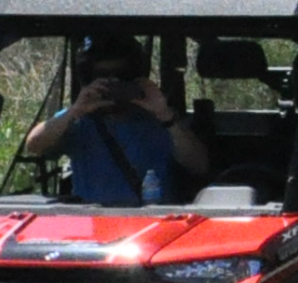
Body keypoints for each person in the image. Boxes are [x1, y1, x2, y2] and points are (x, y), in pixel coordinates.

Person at [21, 34, 208, 206]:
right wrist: (75, 111)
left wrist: (164, 115)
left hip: (151, 219)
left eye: (121, 76)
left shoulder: (161, 121)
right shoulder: (79, 121)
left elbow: (200, 165)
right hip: (92, 220)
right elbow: (34, 145)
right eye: (104, 78)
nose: (114, 84)